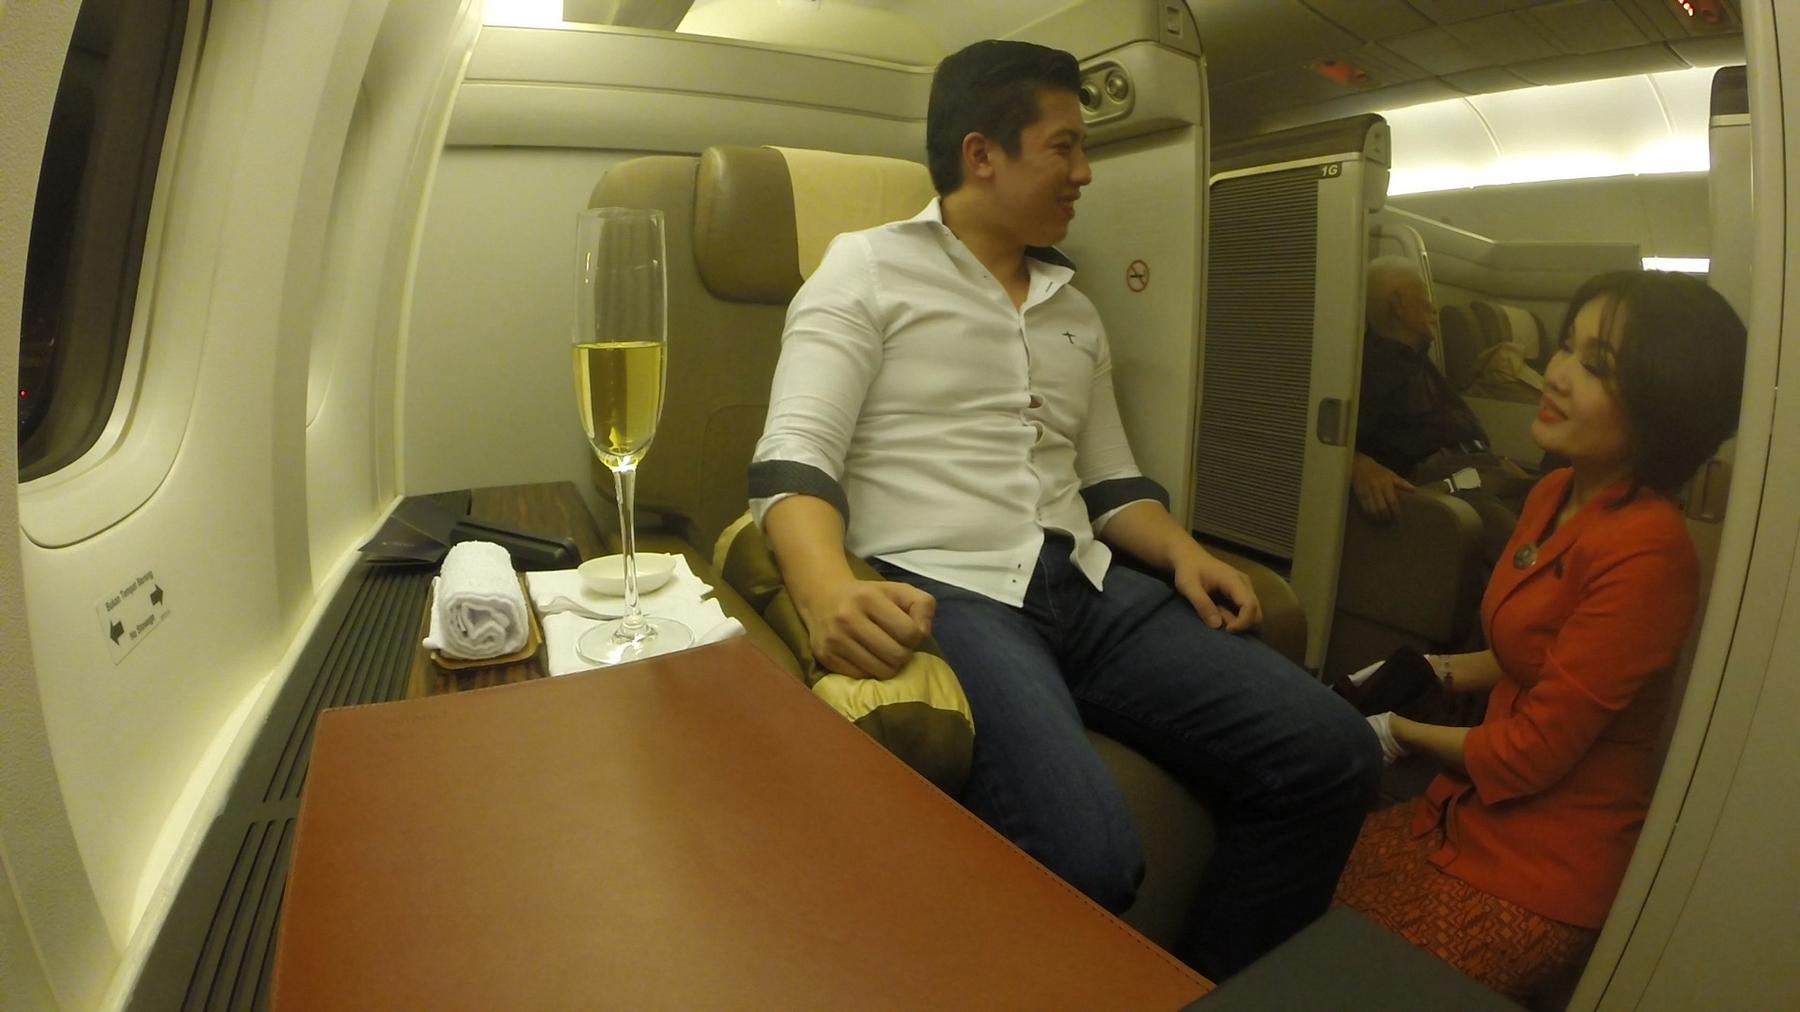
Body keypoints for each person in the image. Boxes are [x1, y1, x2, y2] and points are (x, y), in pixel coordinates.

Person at [747, 39, 1379, 980]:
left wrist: (1184, 551)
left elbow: (1112, 483)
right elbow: (793, 458)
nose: (1085, 173)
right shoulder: (865, 269)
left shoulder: (1074, 307)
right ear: (982, 154)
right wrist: (825, 588)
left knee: (1336, 753)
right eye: (1065, 147)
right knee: (1090, 854)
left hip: (1089, 585)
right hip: (953, 593)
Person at [1336, 270, 1747, 1006]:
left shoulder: (1650, 553)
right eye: (1565, 346)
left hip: (1542, 865)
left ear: (1663, 409)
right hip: (1462, 811)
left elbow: (1531, 753)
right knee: (1314, 887)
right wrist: (1425, 668)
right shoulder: (1555, 492)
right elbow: (1526, 654)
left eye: (1596, 366)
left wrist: (1398, 731)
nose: (1555, 374)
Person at [1355, 256, 1537, 563]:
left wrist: (1498, 461)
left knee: (1567, 499)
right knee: (1528, 551)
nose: (1434, 308)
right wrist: (1356, 464)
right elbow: (1330, 442)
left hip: (1485, 471)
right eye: (1425, 296)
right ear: (1398, 305)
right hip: (1450, 488)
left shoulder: (1419, 361)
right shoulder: (1368, 370)